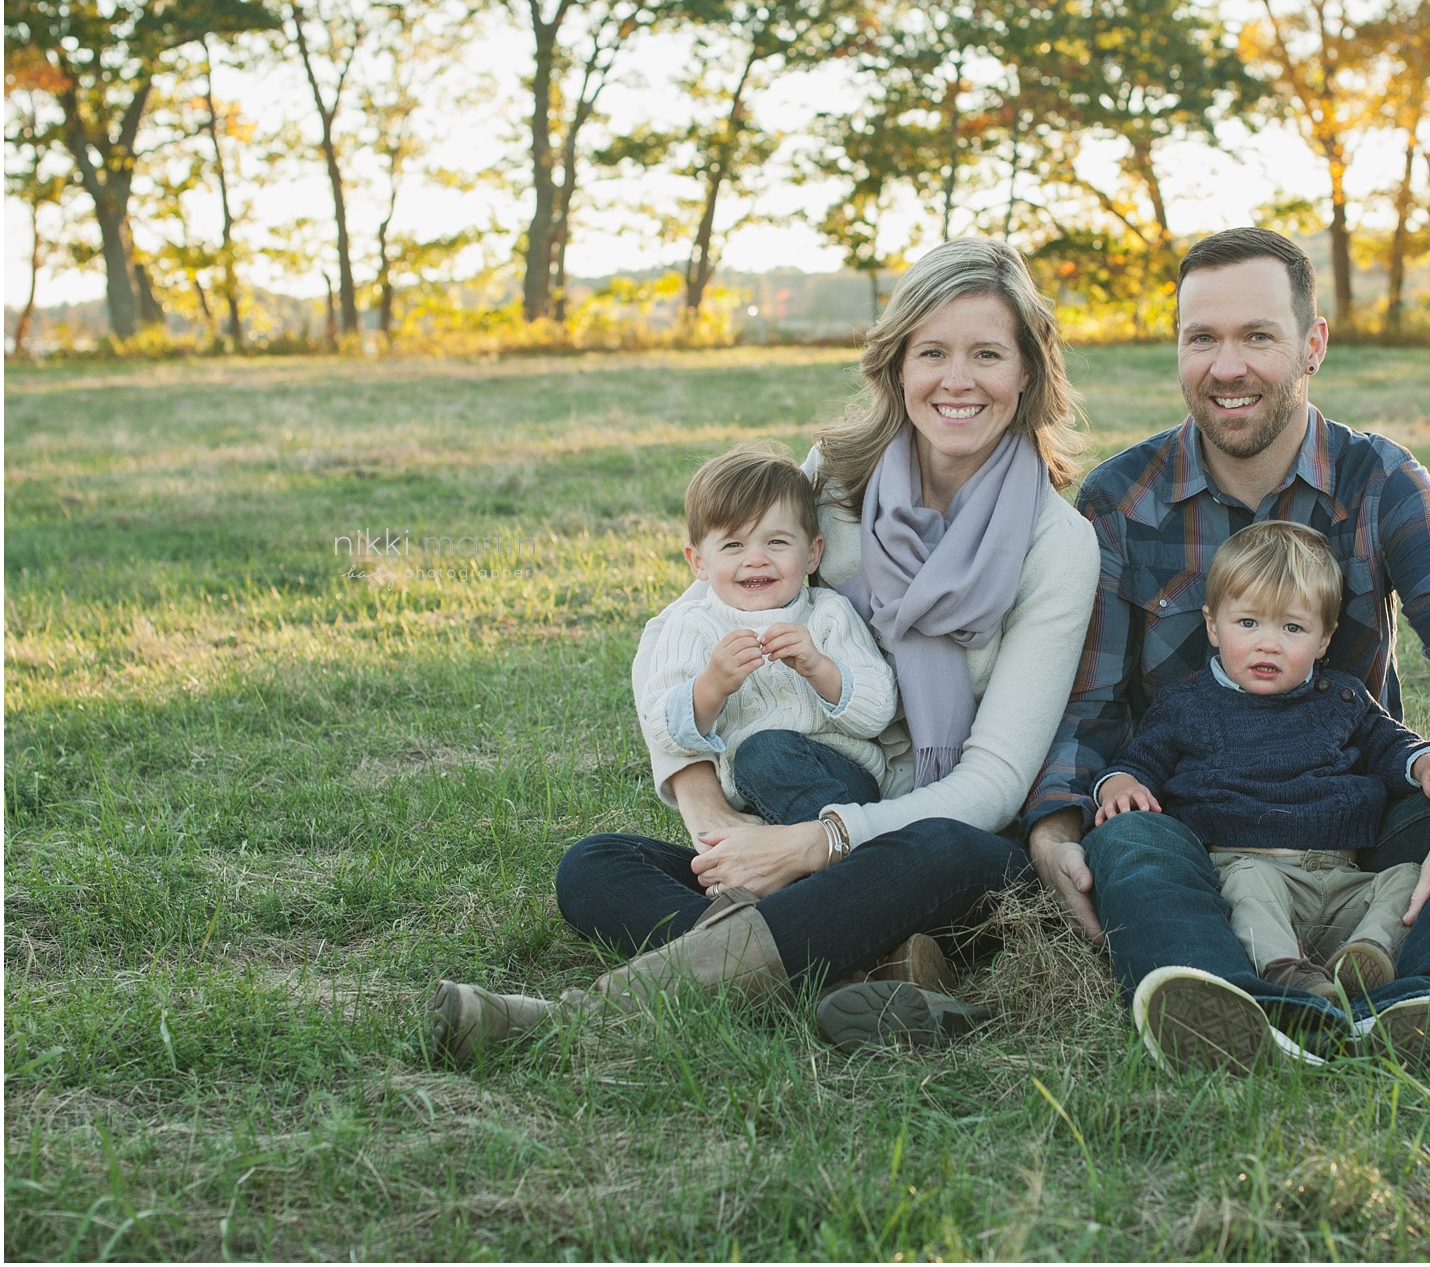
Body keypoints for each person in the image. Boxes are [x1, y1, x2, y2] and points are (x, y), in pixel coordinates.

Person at [431, 238, 1099, 1063]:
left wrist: (818, 843)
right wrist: (709, 811)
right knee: (594, 865)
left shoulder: (1056, 545)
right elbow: (691, 621)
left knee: (945, 849)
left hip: (944, 848)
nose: (956, 381)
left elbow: (992, 784)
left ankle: (586, 1020)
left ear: (1028, 371)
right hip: (785, 802)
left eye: (987, 354)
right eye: (933, 352)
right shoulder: (837, 479)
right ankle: (860, 976)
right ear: (897, 365)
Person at [1025, 227, 1430, 1075]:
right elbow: (1086, 701)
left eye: (1256, 337)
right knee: (1124, 840)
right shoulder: (1122, 498)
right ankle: (1224, 1007)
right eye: (1202, 338)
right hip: (1190, 830)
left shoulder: (1378, 480)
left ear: (1313, 346)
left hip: (1351, 822)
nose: (1225, 366)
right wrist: (1055, 826)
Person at [1092, 520, 1430, 1009]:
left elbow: (1389, 744)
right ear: (1213, 626)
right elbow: (1140, 757)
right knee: (1250, 886)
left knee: (1406, 878)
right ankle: (1285, 975)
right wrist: (1120, 781)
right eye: (1248, 623)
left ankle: (1365, 957)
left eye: (1292, 628)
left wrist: (1424, 761)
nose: (1267, 643)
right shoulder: (1187, 704)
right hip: (1248, 868)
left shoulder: (1341, 698)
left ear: (1323, 639)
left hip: (1338, 877)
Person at [633, 440, 898, 828]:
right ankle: (783, 876)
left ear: (812, 553)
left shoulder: (827, 613)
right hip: (747, 804)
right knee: (590, 863)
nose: (755, 558)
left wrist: (819, 668)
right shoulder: (691, 625)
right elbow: (664, 729)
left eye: (776, 541)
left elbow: (878, 712)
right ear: (698, 562)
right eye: (733, 544)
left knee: (764, 751)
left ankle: (841, 856)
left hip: (838, 782)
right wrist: (711, 685)